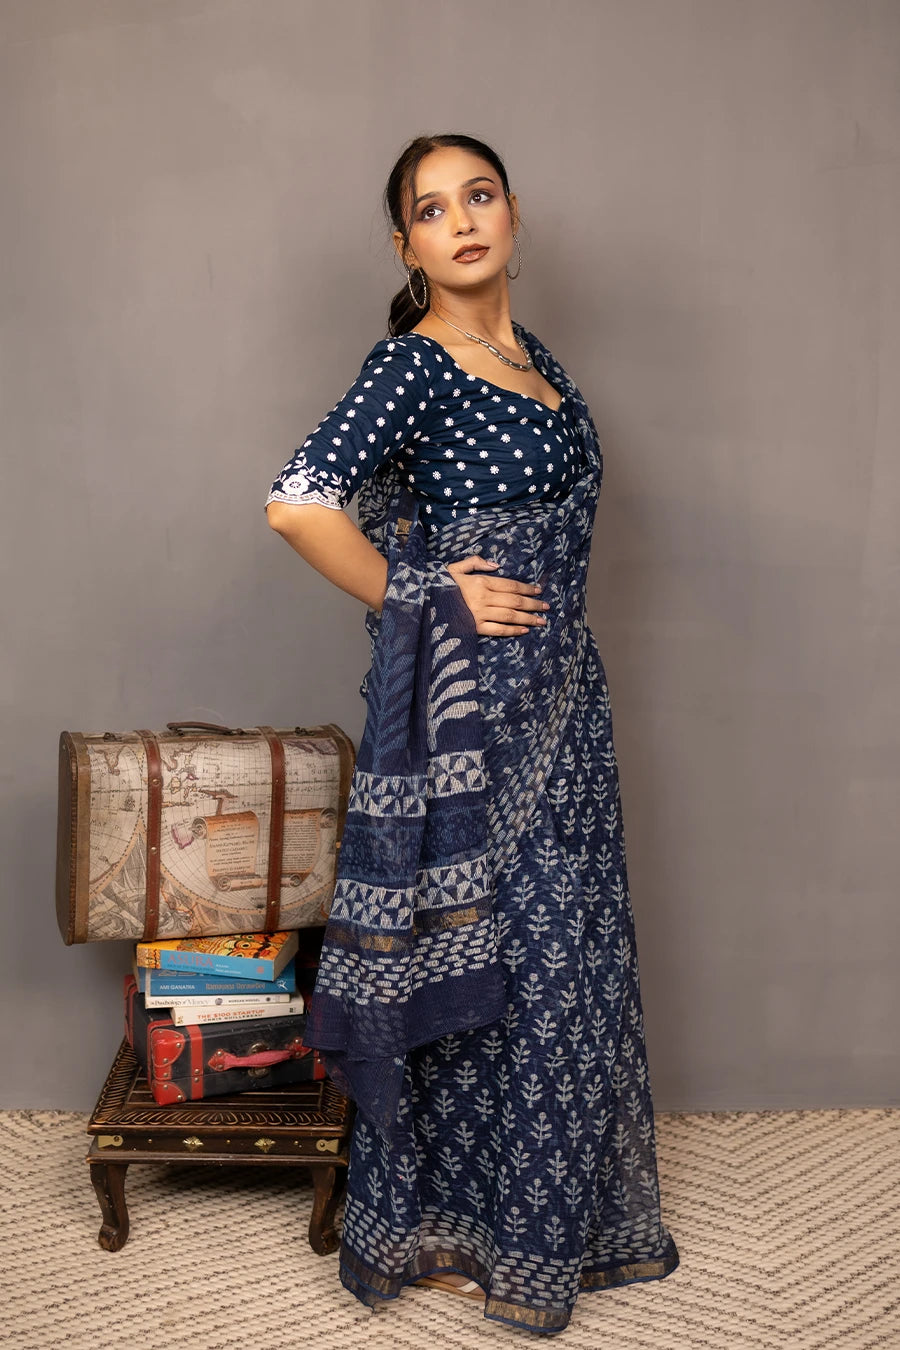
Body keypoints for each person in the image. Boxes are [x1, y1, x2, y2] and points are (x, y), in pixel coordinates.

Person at [265, 132, 679, 1335]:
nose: (461, 221)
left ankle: (539, 1220)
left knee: (560, 951)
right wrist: (423, 588)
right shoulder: (419, 364)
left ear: (511, 212)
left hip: (568, 695)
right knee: (496, 953)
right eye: (431, 209)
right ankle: (449, 1229)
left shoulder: (530, 356)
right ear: (406, 245)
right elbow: (295, 504)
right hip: (477, 710)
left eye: (479, 196)